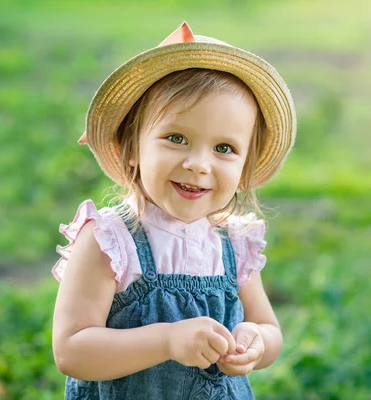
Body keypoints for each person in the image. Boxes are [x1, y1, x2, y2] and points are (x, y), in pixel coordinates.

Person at [51, 21, 296, 399]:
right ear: (131, 149)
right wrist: (166, 340)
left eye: (224, 148)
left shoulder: (234, 242)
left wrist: (256, 341)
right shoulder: (110, 241)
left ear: (245, 167)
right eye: (176, 138)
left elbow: (269, 328)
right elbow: (72, 350)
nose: (199, 164)